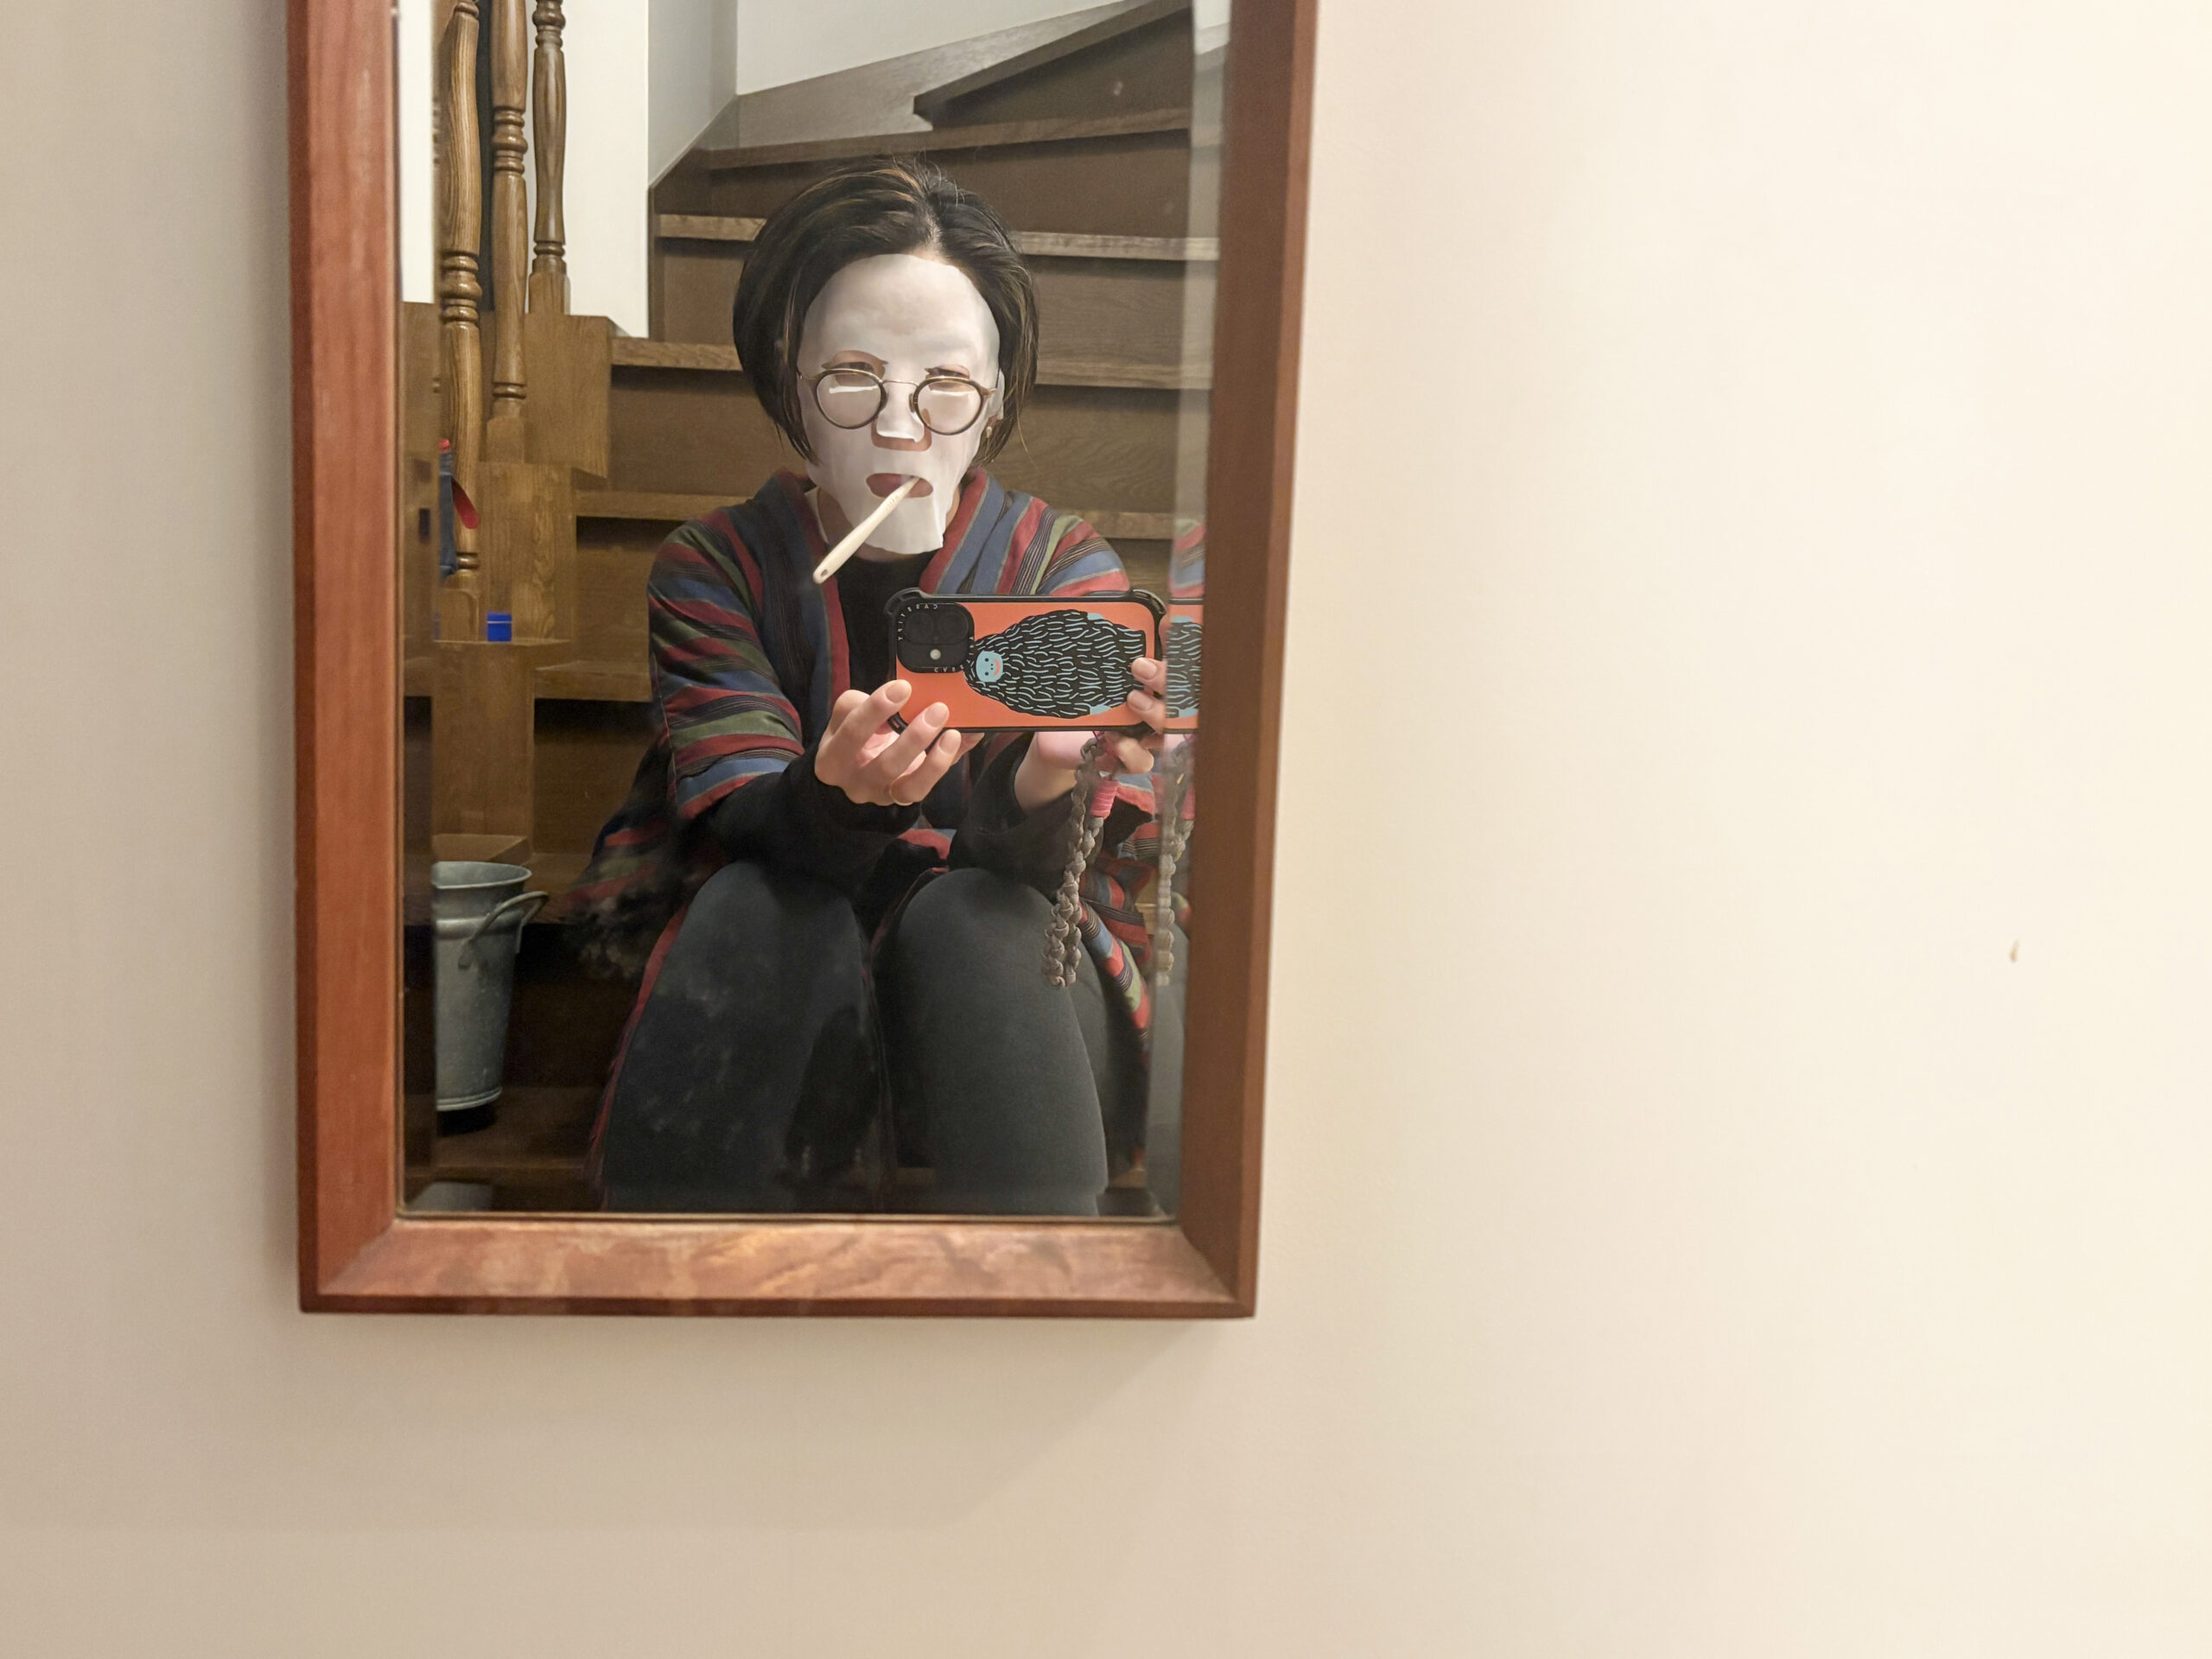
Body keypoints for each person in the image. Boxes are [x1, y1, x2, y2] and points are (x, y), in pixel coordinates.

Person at [561, 159, 1179, 1216]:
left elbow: (1044, 873)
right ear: (792, 387)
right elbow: (746, 814)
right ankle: (671, 1283)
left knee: (973, 919)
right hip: (786, 984)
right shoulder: (716, 567)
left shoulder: (1058, 565)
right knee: (762, 900)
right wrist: (834, 797)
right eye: (854, 378)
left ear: (994, 400)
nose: (901, 425)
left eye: (946, 385)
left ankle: (1035, 1290)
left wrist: (1044, 779)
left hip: (1008, 1012)